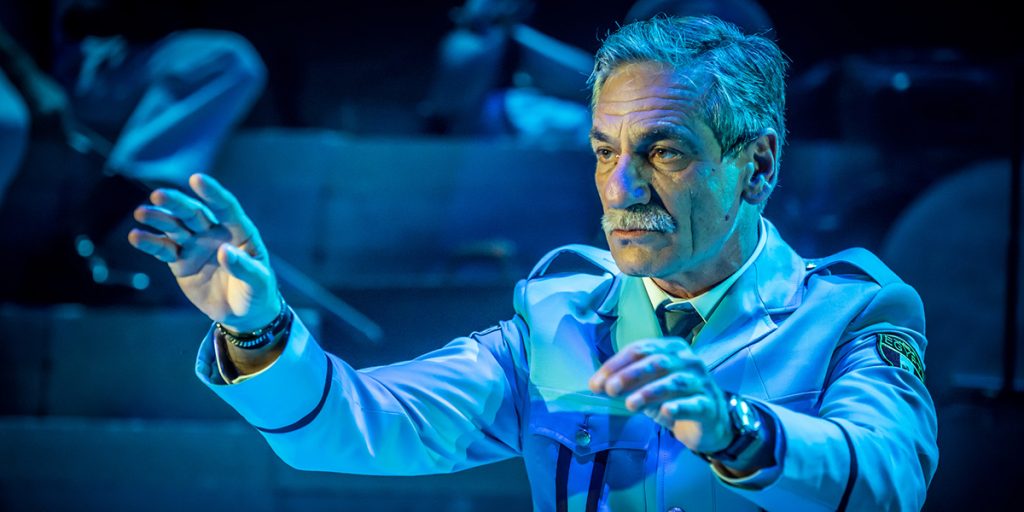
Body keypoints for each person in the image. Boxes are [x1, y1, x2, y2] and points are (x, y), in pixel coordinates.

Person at [128, 16, 938, 511]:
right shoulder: (562, 319)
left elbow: (889, 479)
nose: (620, 188)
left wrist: (738, 430)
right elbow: (359, 426)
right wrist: (259, 330)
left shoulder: (850, 313)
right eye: (605, 150)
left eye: (663, 152)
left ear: (757, 166)